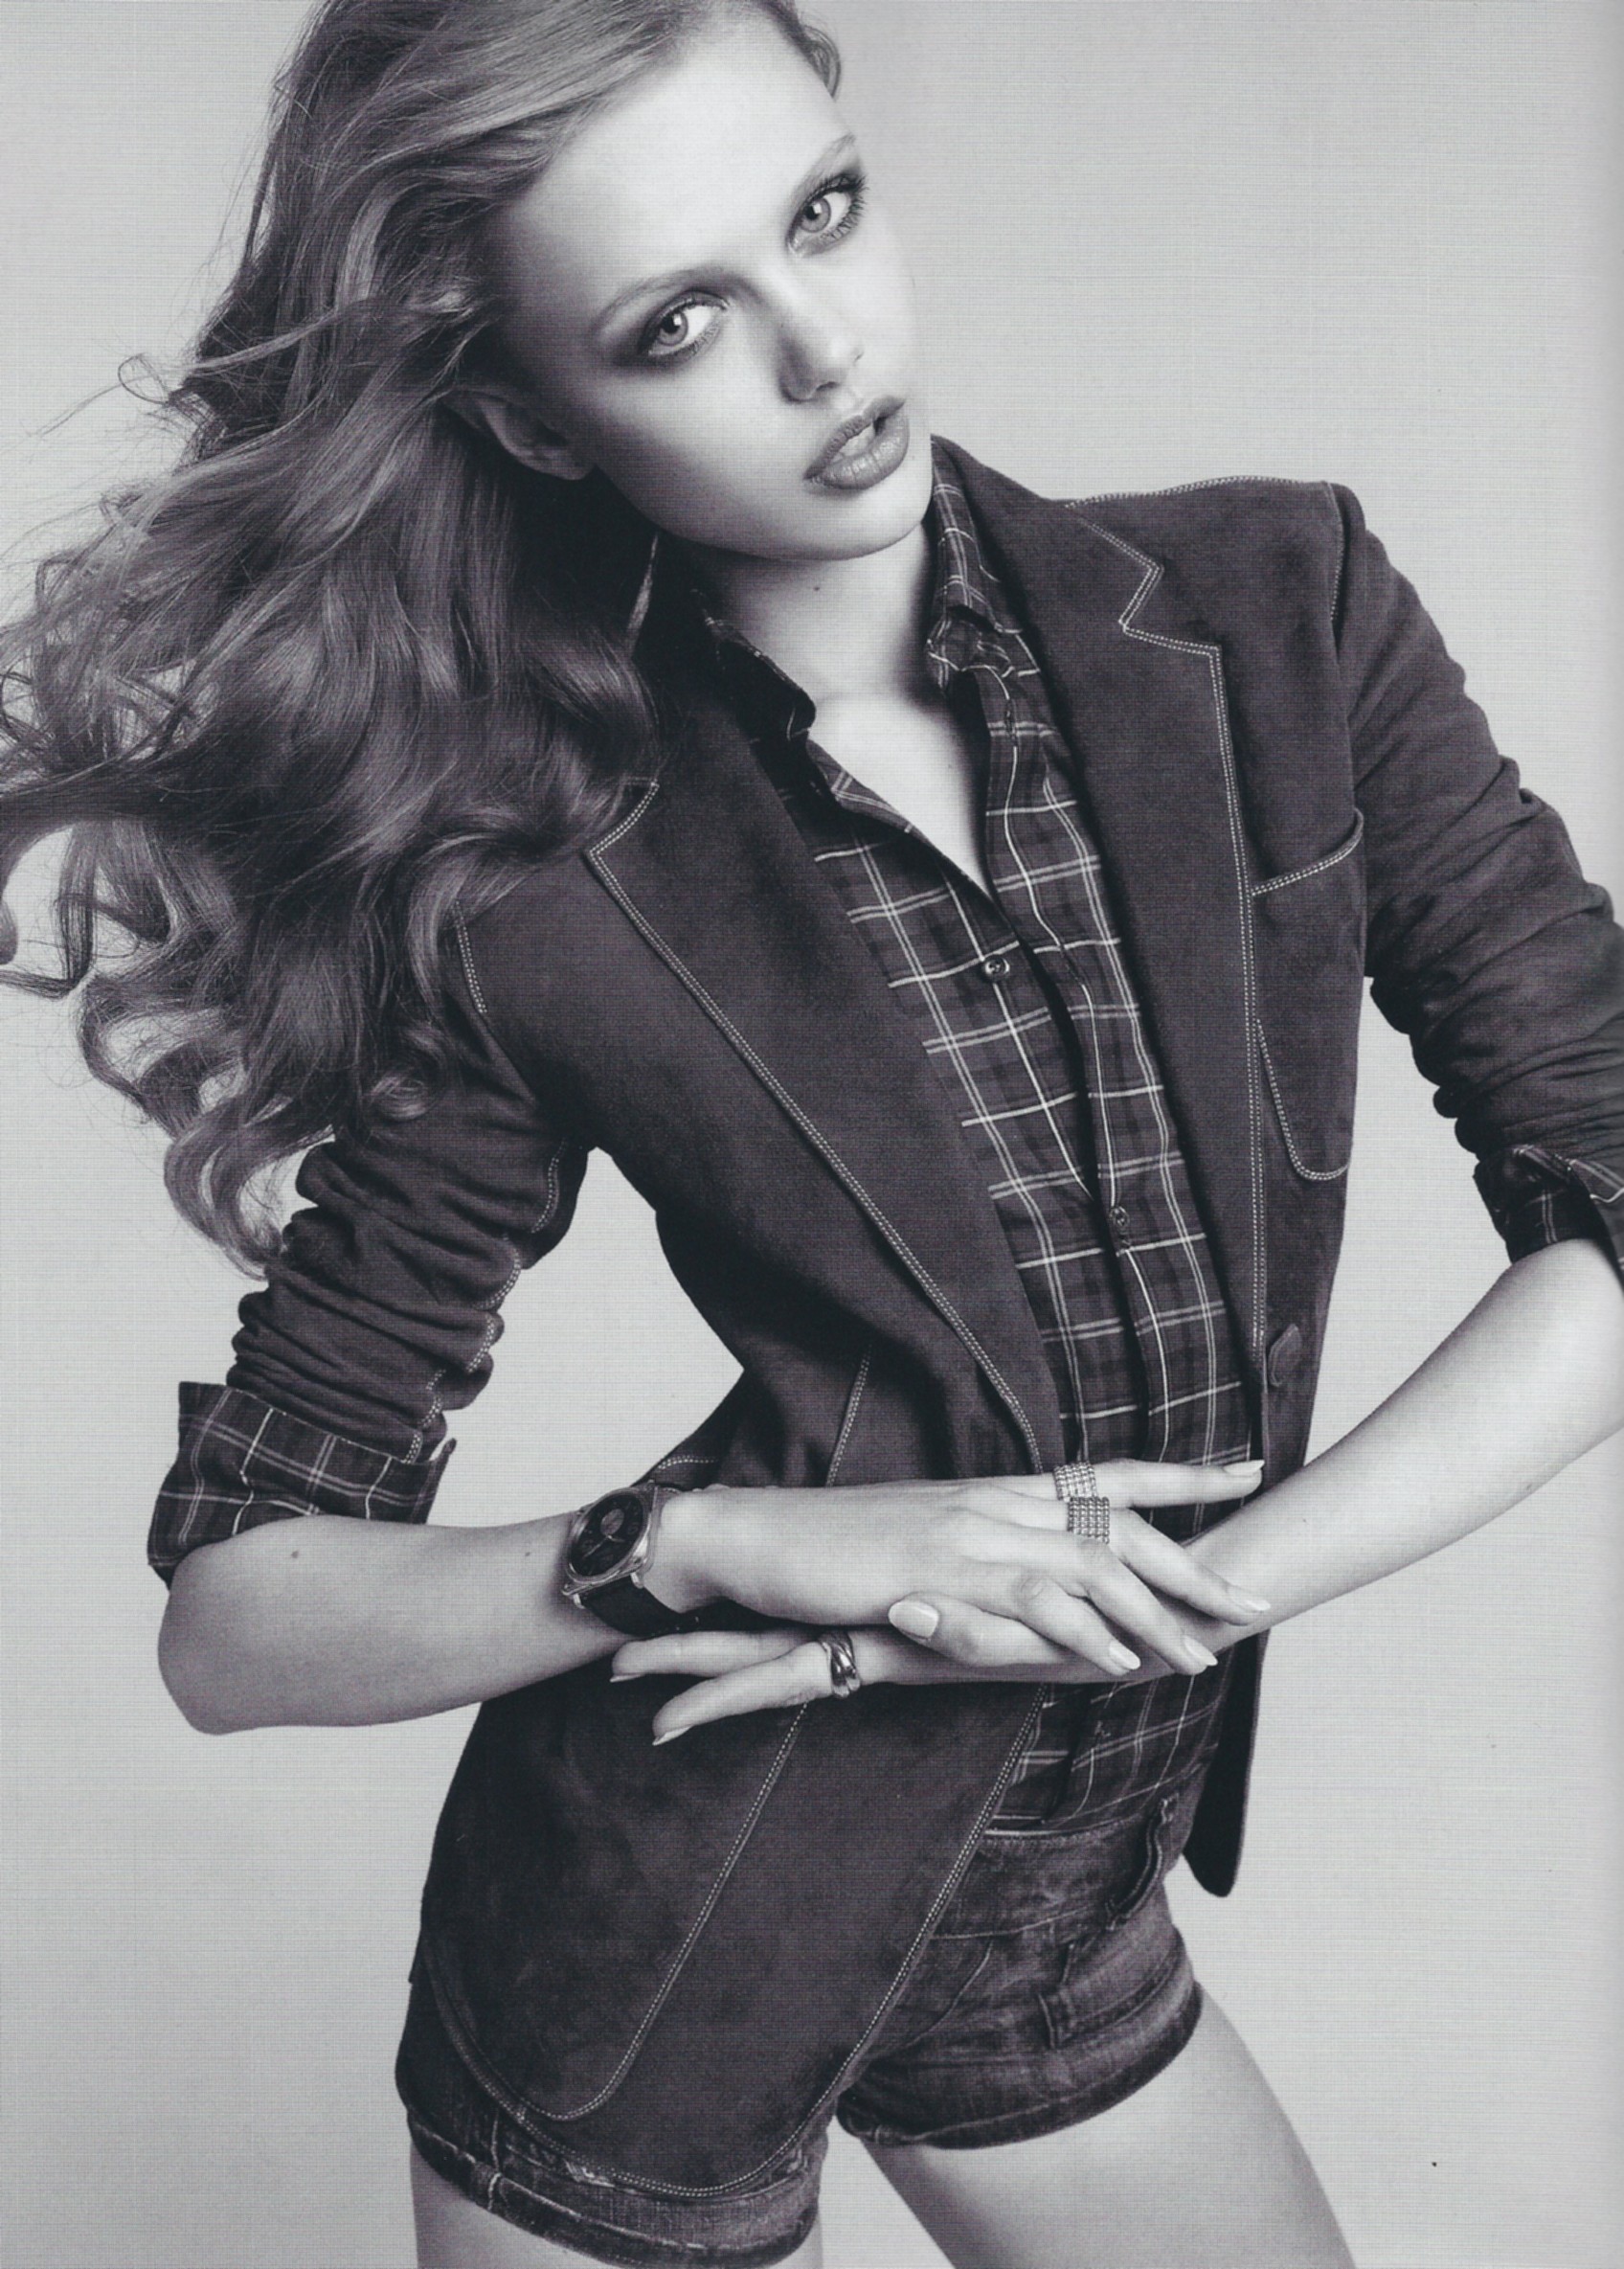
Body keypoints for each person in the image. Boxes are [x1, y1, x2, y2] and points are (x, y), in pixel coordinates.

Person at [3, 3, 1620, 2265]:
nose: (823, 350)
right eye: (673, 325)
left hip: (1055, 1904)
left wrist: (1180, 1598)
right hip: (664, 1950)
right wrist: (695, 1547)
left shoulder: (1279, 612)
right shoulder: (526, 876)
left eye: (824, 214)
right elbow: (238, 1621)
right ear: (529, 418)